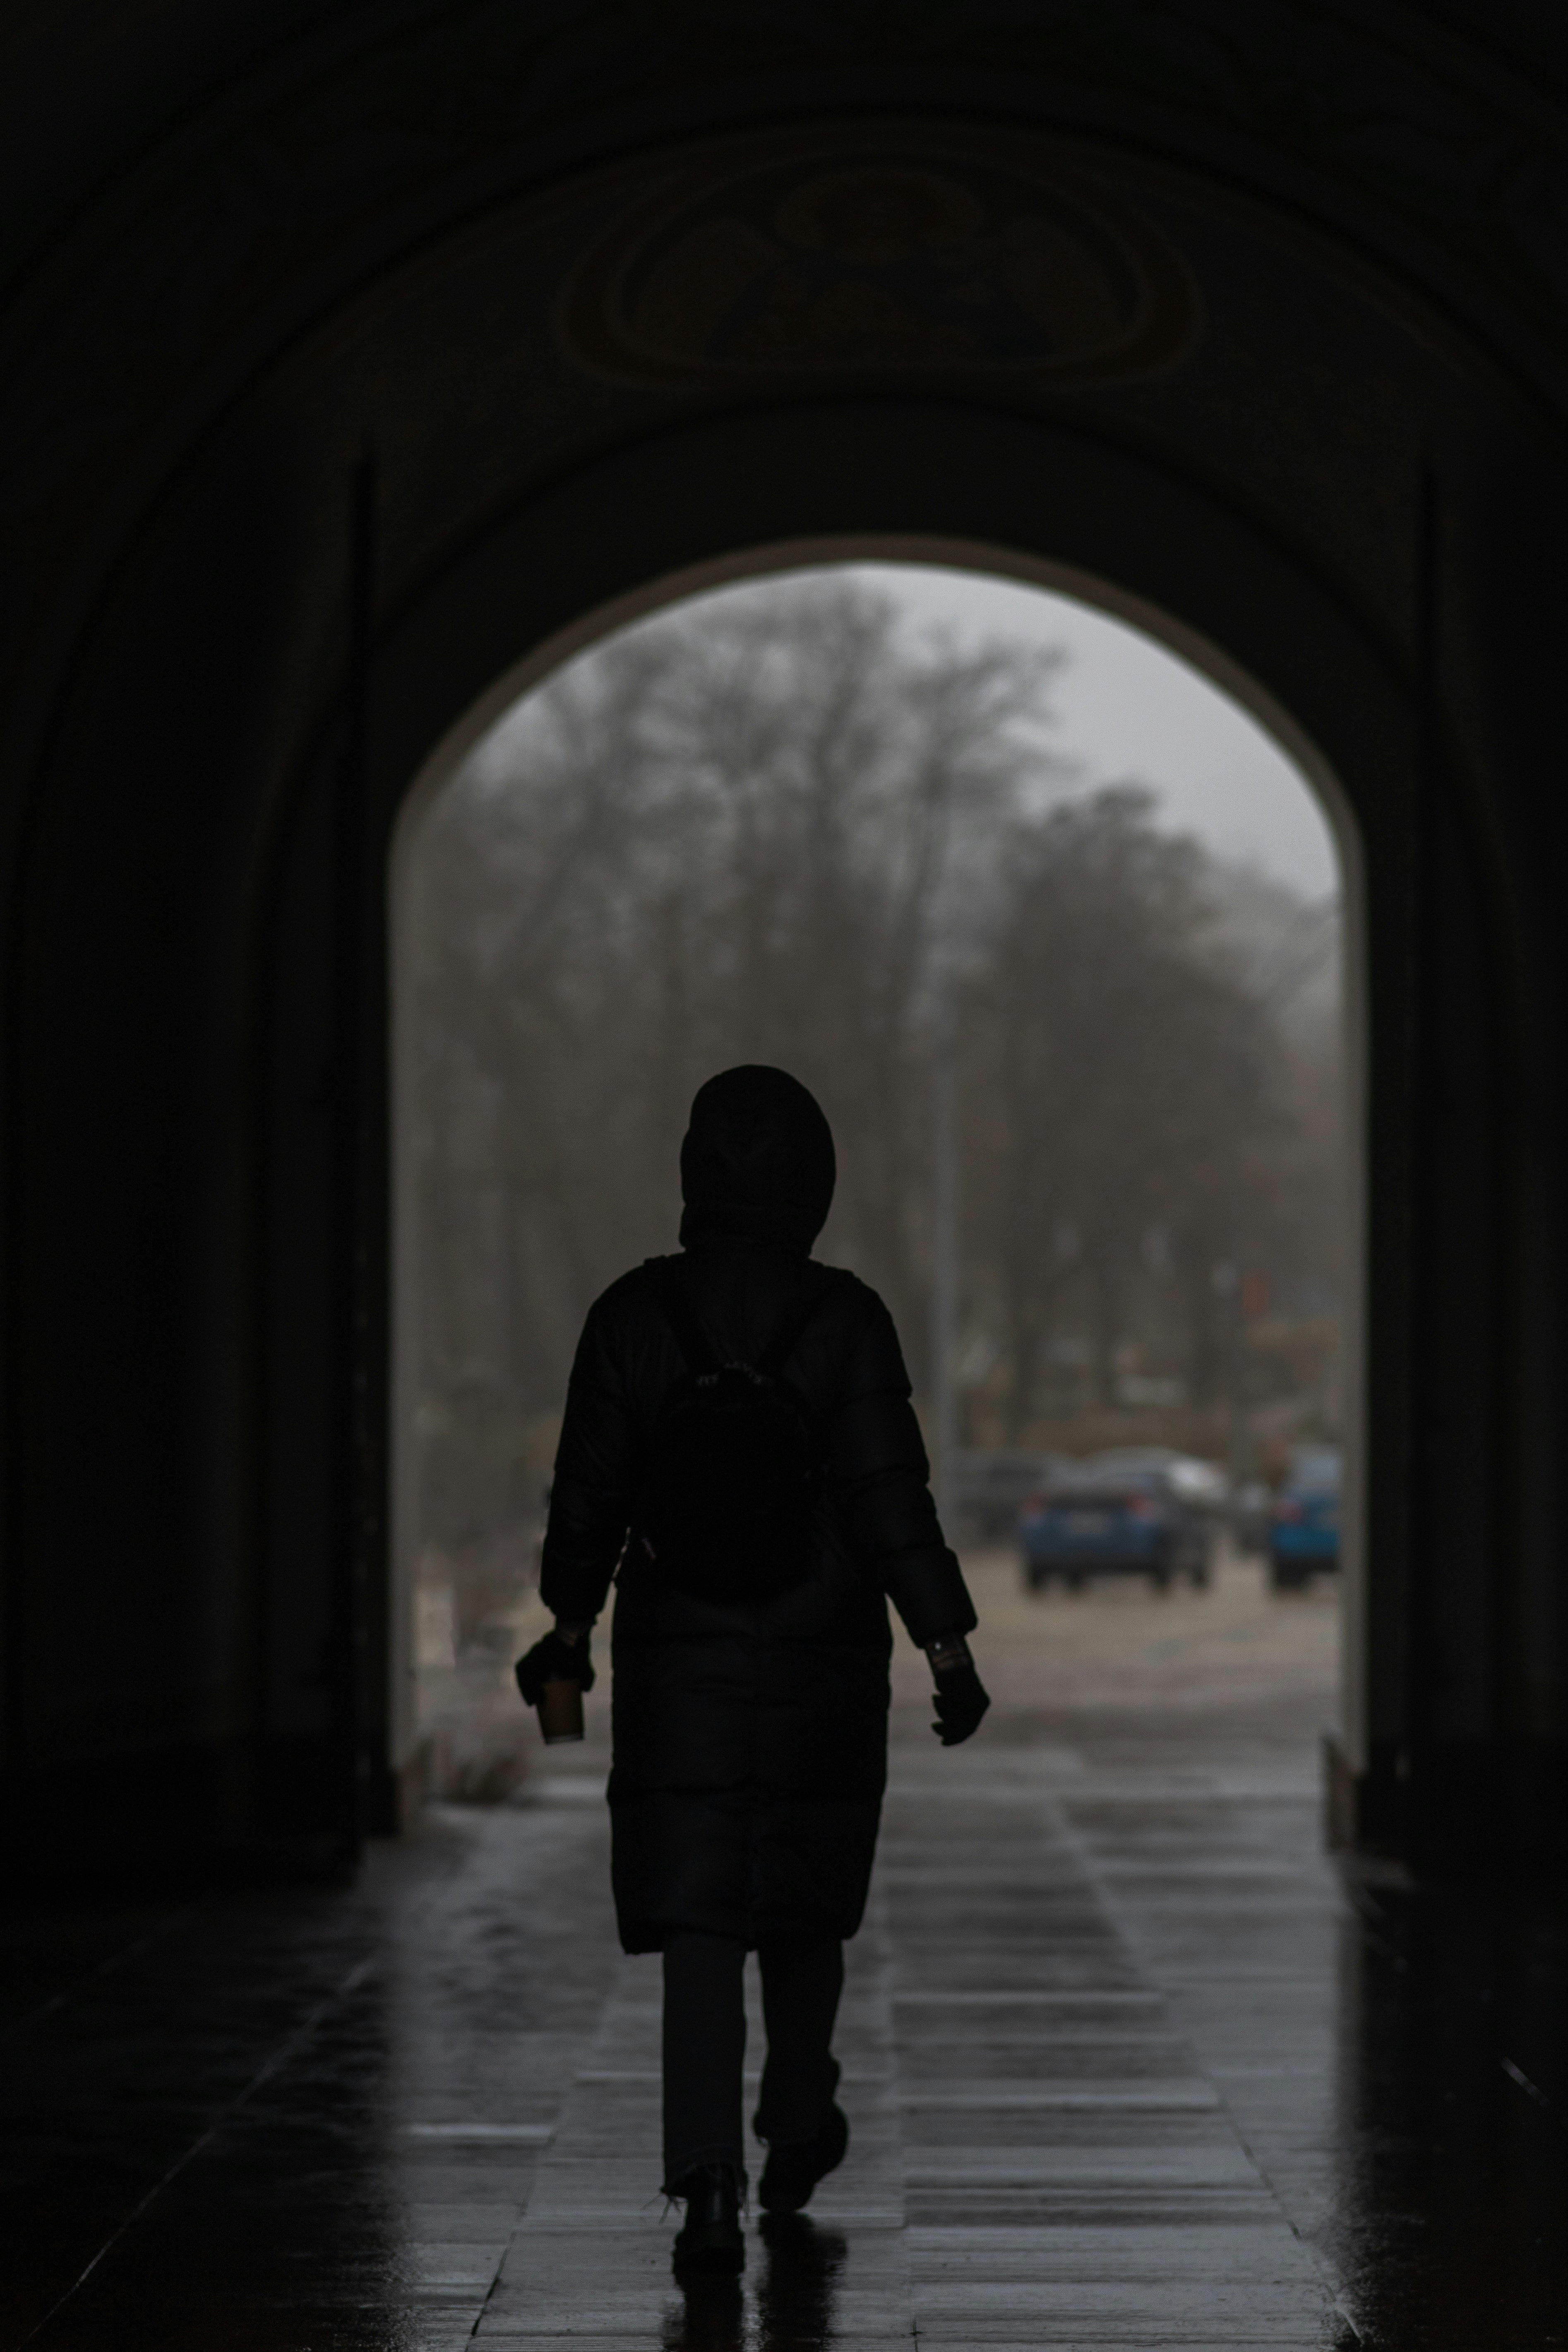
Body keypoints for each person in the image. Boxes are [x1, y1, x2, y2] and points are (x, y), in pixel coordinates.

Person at [516, 1064, 989, 2278]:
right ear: (814, 1182)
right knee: (804, 1897)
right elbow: (895, 1502)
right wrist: (946, 1643)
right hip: (824, 1654)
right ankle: (796, 2116)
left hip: (678, 1659)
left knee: (700, 1916)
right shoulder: (847, 1322)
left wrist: (568, 1627)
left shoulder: (632, 1317)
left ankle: (707, 2175)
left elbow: (587, 1502)